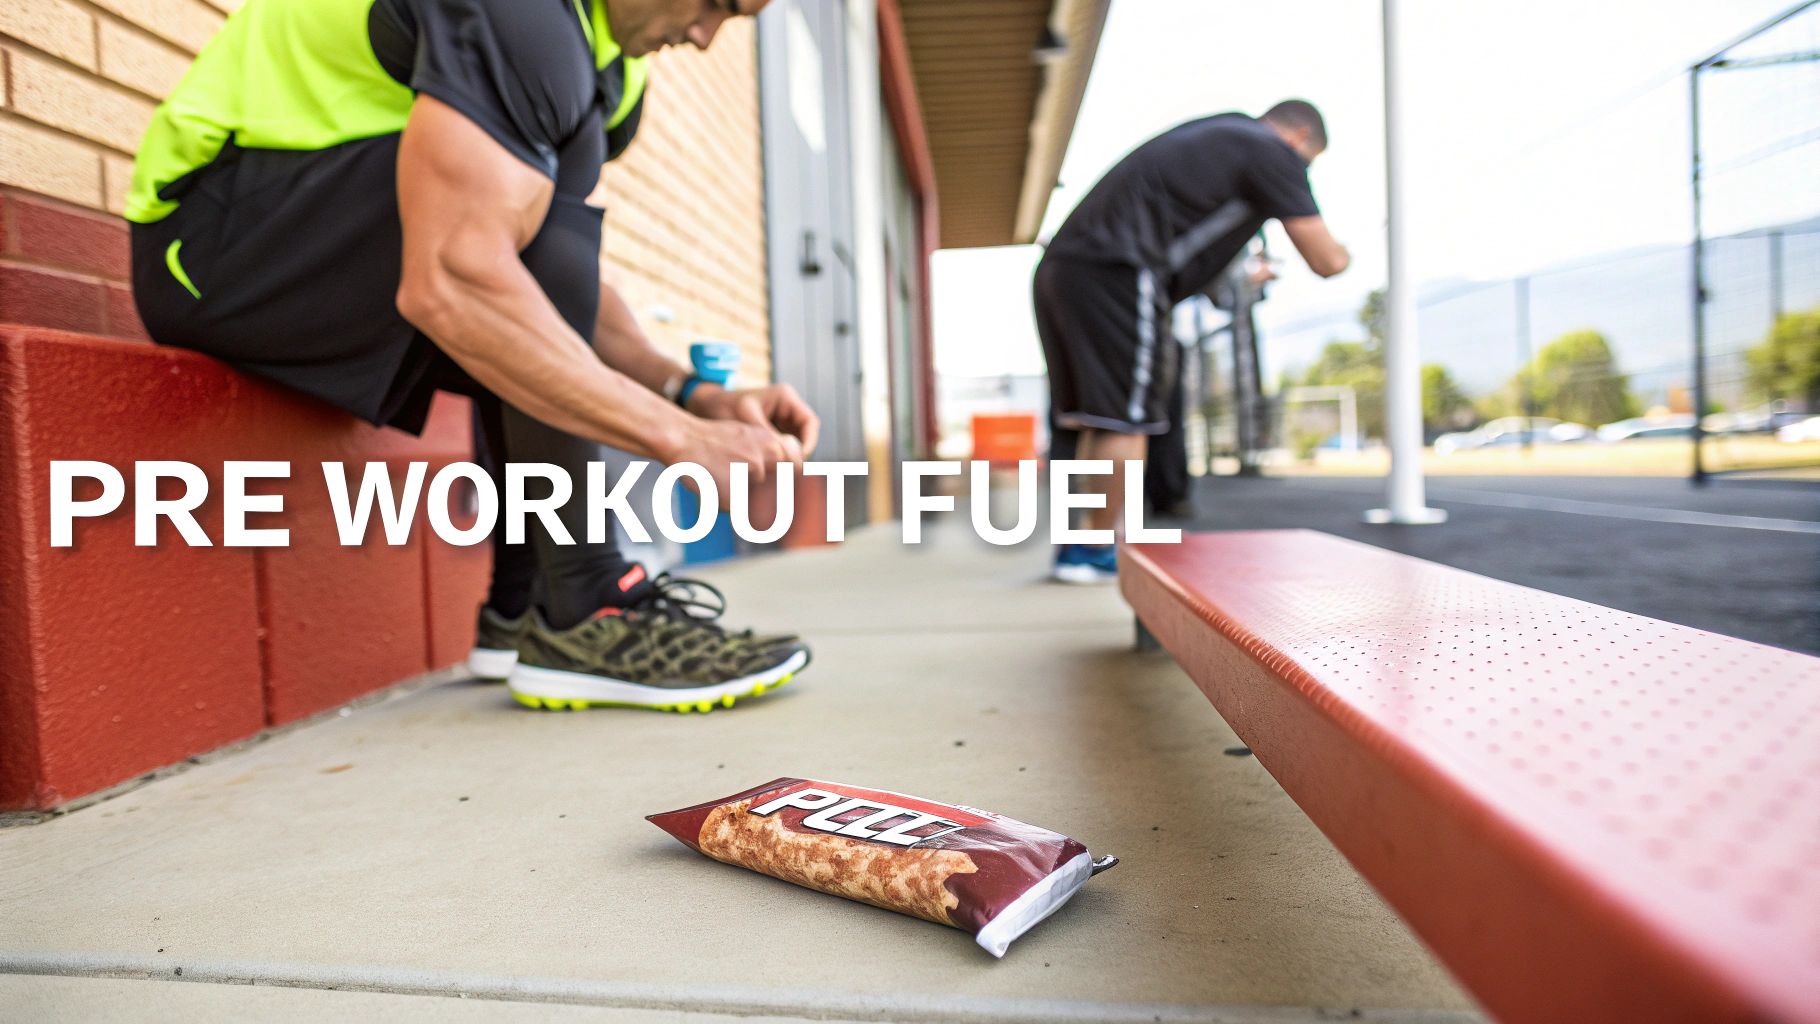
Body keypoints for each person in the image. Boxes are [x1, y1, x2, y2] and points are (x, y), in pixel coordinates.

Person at [125, 0, 817, 713]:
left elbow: (550, 272)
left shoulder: (613, 67)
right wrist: (682, 440)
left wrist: (687, 392)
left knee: (519, 229)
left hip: (318, 247)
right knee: (493, 249)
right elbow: (460, 279)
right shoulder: (520, 16)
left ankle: (521, 609)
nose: (706, 37)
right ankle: (588, 608)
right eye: (718, 4)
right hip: (212, 251)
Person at [1035, 100, 1349, 584]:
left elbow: (1195, 238)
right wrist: (1346, 254)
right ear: (1299, 136)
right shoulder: (1272, 152)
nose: (1301, 170)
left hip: (1065, 268)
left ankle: (1082, 548)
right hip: (1121, 270)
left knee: (1097, 420)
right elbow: (1325, 259)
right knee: (1125, 420)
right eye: (1308, 159)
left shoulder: (1219, 137)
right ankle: (1099, 548)